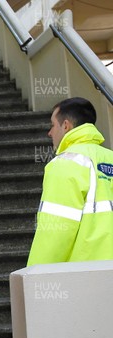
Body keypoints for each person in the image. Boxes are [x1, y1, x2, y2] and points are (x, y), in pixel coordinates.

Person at [27, 97, 113, 265]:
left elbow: (56, 231)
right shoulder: (110, 157)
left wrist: (37, 274)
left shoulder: (65, 163)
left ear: (66, 125)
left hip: (86, 275)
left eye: (52, 125)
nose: (49, 133)